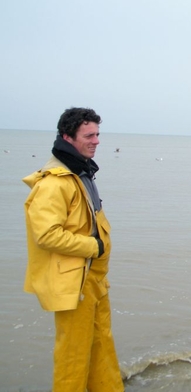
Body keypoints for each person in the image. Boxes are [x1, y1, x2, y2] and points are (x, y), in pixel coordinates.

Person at [23, 107, 124, 391]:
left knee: (101, 344)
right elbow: (46, 235)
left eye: (98, 134)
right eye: (89, 135)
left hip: (93, 279)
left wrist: (99, 255)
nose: (97, 141)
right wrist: (95, 246)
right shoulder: (54, 183)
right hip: (74, 282)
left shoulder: (82, 172)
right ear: (68, 137)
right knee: (73, 355)